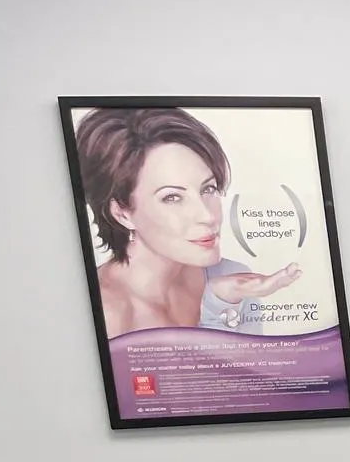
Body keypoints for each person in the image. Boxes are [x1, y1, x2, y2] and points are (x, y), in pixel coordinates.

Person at [73, 107, 301, 338]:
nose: (208, 216)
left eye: (208, 188)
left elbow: (251, 372)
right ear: (122, 213)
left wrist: (220, 301)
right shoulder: (105, 312)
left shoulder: (232, 277)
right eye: (172, 197)